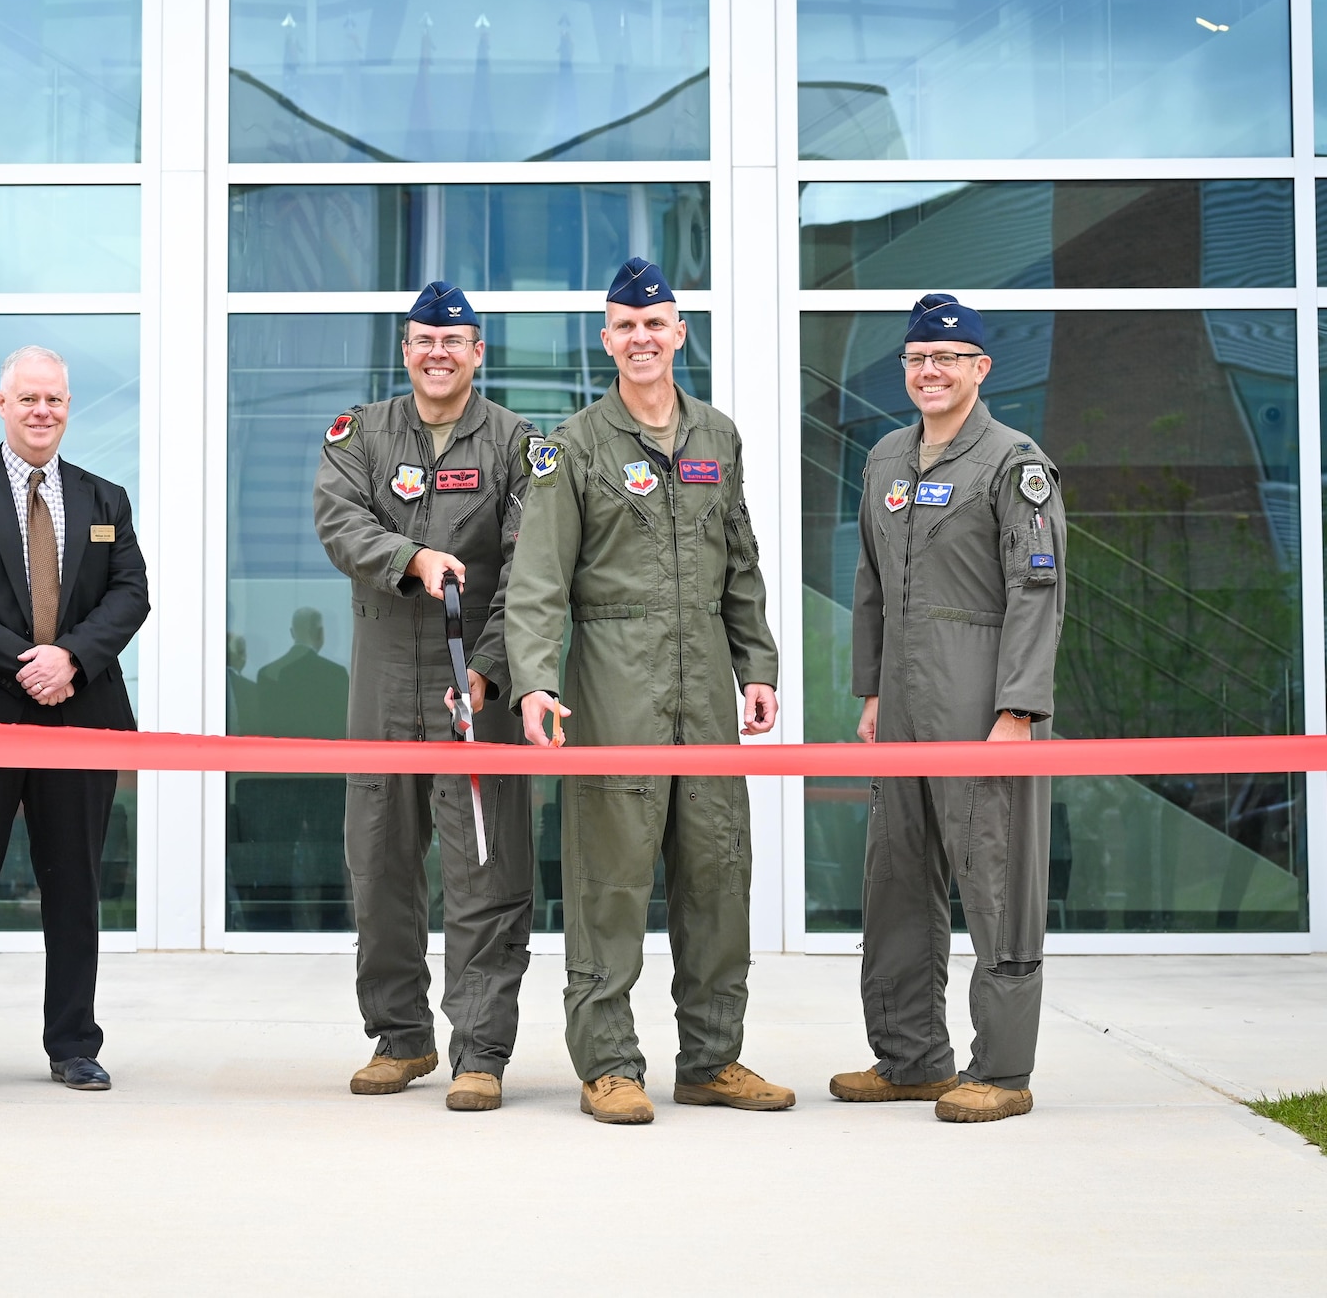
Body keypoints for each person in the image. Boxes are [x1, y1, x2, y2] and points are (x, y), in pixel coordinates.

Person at [507, 258, 790, 1125]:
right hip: (612, 674)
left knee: (716, 869)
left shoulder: (719, 437)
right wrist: (535, 682)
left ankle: (713, 1058)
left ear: (678, 333)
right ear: (607, 339)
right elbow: (538, 579)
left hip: (703, 679)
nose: (641, 338)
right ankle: (609, 1064)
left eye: (655, 323)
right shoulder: (574, 445)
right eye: (624, 326)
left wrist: (760, 665)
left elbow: (740, 562)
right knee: (612, 876)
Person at [830, 293, 1067, 1124]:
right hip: (900, 697)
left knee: (995, 878)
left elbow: (1036, 590)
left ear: (980, 369)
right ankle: (910, 1058)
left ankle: (1001, 1070)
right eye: (917, 359)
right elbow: (869, 585)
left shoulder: (1013, 461)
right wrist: (870, 691)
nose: (929, 371)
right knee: (895, 875)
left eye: (947, 358)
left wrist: (1018, 709)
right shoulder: (886, 458)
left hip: (982, 694)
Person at [313, 280, 539, 1111]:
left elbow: (530, 572)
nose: (436, 353)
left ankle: (480, 1049)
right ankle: (400, 1037)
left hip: (473, 685)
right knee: (378, 862)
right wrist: (411, 557)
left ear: (479, 351)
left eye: (454, 340)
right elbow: (337, 519)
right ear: (405, 350)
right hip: (381, 681)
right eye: (421, 340)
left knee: (483, 863)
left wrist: (485, 669)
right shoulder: (361, 434)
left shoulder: (516, 442)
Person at [0, 346, 151, 1094]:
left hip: (80, 714)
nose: (41, 410)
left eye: (54, 399)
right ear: (1, 403)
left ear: (68, 406)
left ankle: (74, 1042)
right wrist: (27, 660)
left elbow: (131, 592)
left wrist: (70, 659)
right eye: (28, 399)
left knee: (76, 885)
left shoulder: (104, 497)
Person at [254, 608, 348, 740]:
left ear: (292, 633)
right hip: (324, 756)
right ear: (320, 633)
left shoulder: (266, 674)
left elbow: (264, 728)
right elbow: (342, 727)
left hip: (281, 756)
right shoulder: (336, 674)